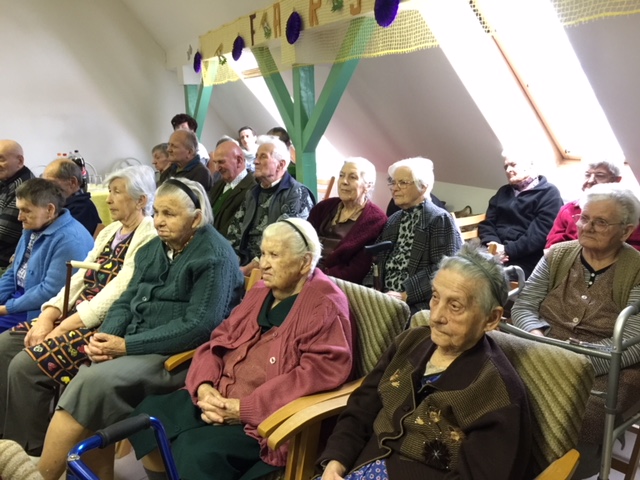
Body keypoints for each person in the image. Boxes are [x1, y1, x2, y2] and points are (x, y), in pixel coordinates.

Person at [36, 179, 244, 480]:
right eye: (156, 212)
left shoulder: (215, 256)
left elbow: (200, 327)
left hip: (181, 356)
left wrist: (125, 346)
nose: (158, 221)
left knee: (93, 382)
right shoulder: (152, 249)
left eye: (169, 214)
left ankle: (39, 476)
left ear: (196, 218)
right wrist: (106, 337)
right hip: (137, 344)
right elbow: (126, 300)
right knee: (91, 374)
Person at [129, 218, 353, 480]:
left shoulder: (325, 305)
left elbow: (318, 375)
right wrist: (204, 386)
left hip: (263, 420)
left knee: (196, 452)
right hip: (216, 395)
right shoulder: (260, 290)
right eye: (263, 253)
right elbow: (218, 339)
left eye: (274, 255)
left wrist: (242, 408)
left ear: (305, 262)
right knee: (147, 418)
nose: (263, 263)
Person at [319, 243, 532, 479]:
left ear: (491, 319)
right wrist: (336, 462)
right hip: (355, 468)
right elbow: (362, 408)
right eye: (435, 297)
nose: (436, 316)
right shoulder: (410, 342)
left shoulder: (498, 395)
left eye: (455, 306)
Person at [0, 165, 158, 456]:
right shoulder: (110, 231)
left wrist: (61, 327)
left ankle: (31, 453)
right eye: (109, 191)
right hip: (73, 315)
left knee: (25, 366)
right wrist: (48, 316)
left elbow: (118, 291)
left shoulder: (149, 235)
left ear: (141, 200)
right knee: (5, 346)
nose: (108, 199)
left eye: (117, 192)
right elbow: (79, 278)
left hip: (104, 324)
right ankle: (7, 441)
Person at [512, 183, 640, 478]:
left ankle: (563, 470)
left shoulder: (636, 270)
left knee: (580, 411)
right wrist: (537, 340)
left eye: (601, 222)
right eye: (584, 217)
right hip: (540, 348)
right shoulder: (557, 255)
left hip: (605, 365)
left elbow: (632, 341)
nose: (586, 227)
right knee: (498, 387)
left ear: (625, 231)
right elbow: (524, 306)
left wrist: (572, 362)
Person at [364, 158, 462, 313]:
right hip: (385, 297)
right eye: (393, 182)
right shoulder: (394, 219)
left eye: (402, 183)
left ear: (423, 187)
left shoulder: (438, 219)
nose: (394, 188)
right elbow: (378, 260)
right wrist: (370, 288)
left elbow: (445, 268)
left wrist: (406, 295)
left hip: (418, 303)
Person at [0, 178, 93, 332]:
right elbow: (14, 272)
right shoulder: (33, 227)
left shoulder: (69, 240)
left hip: (39, 310)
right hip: (21, 299)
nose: (19, 217)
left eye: (26, 210)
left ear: (49, 210)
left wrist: (6, 308)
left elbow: (50, 292)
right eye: (19, 209)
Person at [227, 135, 315, 275]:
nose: (255, 161)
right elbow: (234, 231)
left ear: (281, 164)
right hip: (243, 263)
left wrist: (248, 269)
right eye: (256, 156)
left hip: (272, 268)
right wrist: (230, 261)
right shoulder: (252, 193)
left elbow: (283, 241)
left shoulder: (297, 194)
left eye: (263, 157)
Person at [478, 152, 563, 277]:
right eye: (506, 167)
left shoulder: (549, 194)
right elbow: (487, 224)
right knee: (461, 268)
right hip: (493, 252)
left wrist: (507, 250)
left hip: (525, 258)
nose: (508, 170)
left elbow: (539, 235)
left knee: (483, 278)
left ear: (530, 165)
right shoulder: (503, 191)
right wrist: (494, 247)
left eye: (513, 165)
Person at [308, 157, 386, 284]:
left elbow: (356, 270)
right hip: (305, 272)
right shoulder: (323, 207)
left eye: (352, 177)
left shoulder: (375, 220)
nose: (344, 181)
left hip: (334, 283)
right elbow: (302, 241)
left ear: (368, 186)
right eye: (341, 175)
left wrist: (316, 277)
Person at [546, 158, 640, 250]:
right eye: (587, 175)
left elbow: (636, 250)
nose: (590, 181)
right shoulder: (568, 209)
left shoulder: (629, 210)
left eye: (600, 175)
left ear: (617, 180)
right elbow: (552, 248)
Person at [207, 140, 255, 239]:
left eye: (221, 162)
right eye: (215, 162)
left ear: (239, 161)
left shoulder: (252, 192)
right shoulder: (219, 184)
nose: (217, 168)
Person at [42, 158, 102, 235]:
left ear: (73, 182)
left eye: (51, 184)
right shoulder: (65, 203)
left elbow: (59, 236)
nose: (46, 189)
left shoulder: (82, 208)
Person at [0, 140, 35, 269]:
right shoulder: (6, 180)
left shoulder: (25, 188)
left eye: (1, 159)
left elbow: (3, 235)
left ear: (19, 161)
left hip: (6, 264)